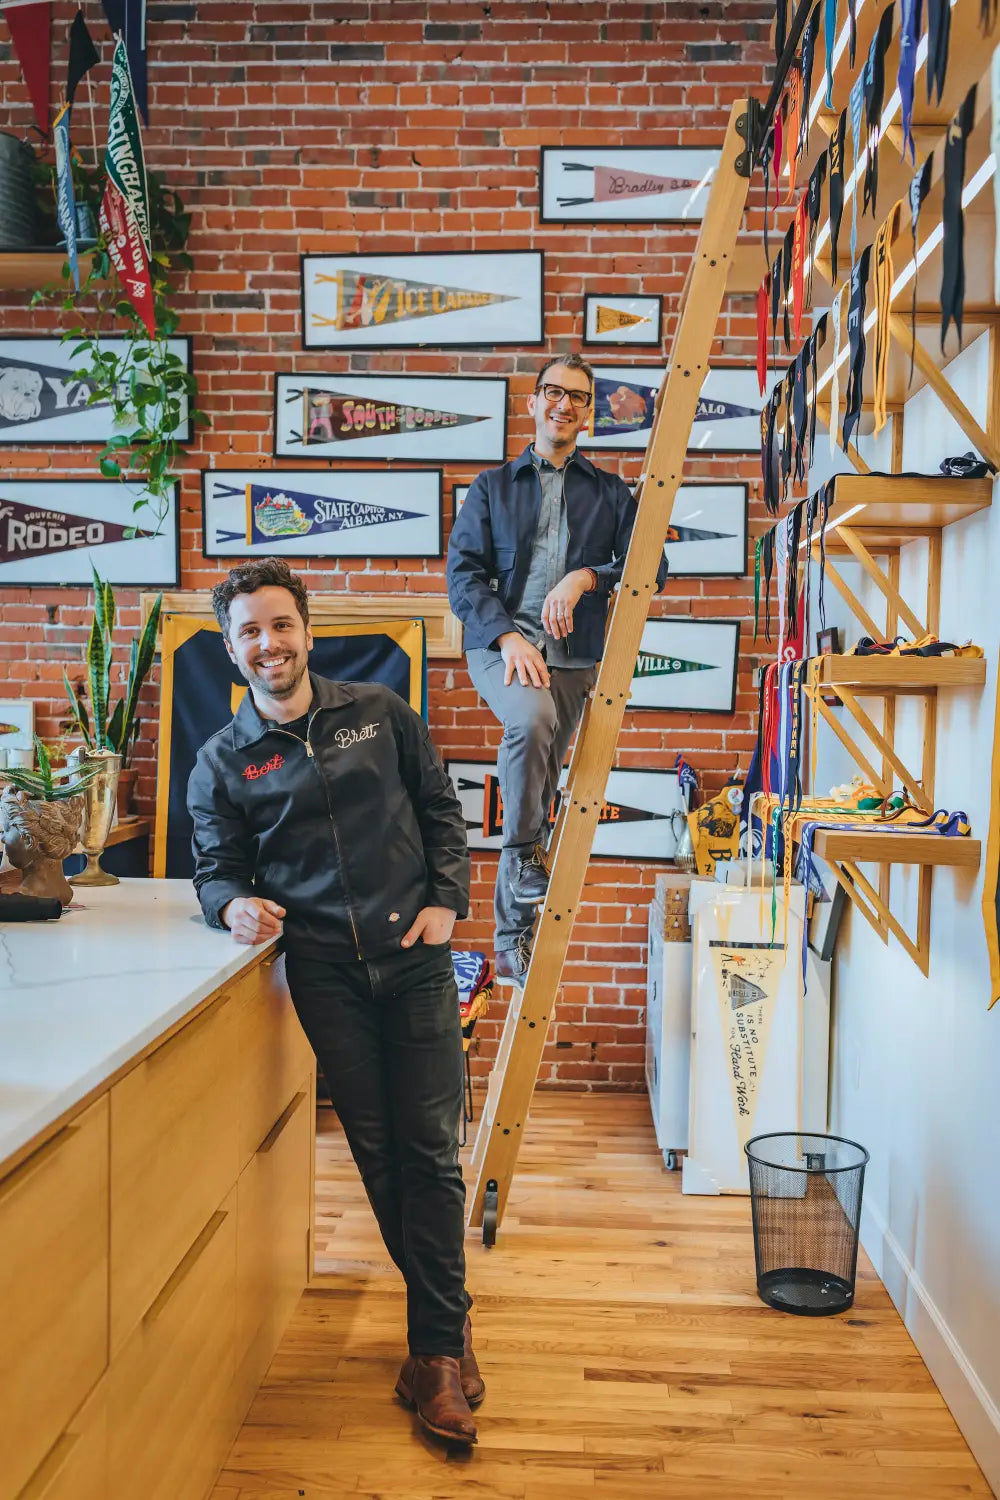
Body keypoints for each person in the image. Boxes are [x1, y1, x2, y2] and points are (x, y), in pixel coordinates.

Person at [187, 558, 483, 1447]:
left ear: (307, 631)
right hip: (323, 974)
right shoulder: (224, 763)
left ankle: (432, 1352)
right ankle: (449, 1326)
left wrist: (447, 902)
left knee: (429, 1152)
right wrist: (229, 903)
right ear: (231, 647)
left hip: (415, 961)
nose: (268, 643)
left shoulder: (380, 715)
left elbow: (440, 809)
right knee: (380, 1153)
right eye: (249, 631)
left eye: (281, 625)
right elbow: (215, 869)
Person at [447, 353, 667, 982]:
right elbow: (462, 576)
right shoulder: (492, 487)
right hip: (502, 646)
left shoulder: (609, 492)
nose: (563, 404)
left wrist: (586, 576)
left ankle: (512, 942)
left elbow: (651, 567)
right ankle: (518, 861)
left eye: (577, 396)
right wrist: (507, 638)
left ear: (588, 412)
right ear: (533, 402)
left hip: (573, 654)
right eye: (552, 392)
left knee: (542, 784)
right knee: (531, 721)